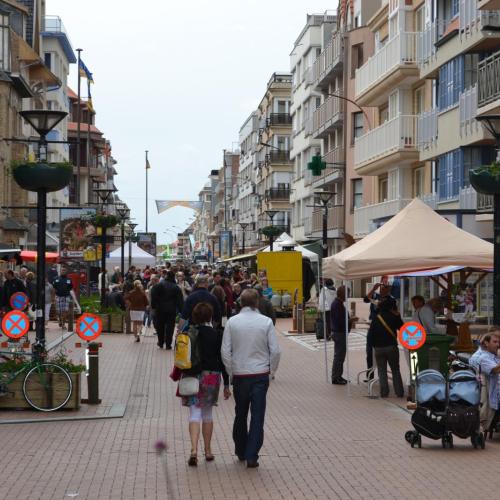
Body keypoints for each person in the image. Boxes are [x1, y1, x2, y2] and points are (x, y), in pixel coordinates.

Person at [221, 289, 281, 468]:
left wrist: (231, 371)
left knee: (240, 413)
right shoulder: (266, 322)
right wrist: (271, 371)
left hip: (240, 374)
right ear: (257, 303)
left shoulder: (232, 322)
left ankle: (240, 448)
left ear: (240, 302)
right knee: (257, 416)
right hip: (260, 373)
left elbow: (225, 351)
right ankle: (252, 454)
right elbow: (275, 351)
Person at [181, 303, 230, 466]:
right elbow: (222, 359)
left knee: (194, 413)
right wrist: (226, 383)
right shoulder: (216, 334)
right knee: (207, 414)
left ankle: (193, 450)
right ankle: (208, 450)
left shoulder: (188, 332)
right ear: (210, 316)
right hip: (211, 375)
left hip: (192, 375)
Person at [368, 297, 404, 398]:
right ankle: (399, 392)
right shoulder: (394, 316)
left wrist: (373, 346)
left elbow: (371, 334)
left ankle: (384, 392)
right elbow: (402, 328)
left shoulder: (376, 317)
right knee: (395, 369)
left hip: (378, 348)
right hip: (391, 347)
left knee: (381, 370)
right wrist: (398, 316)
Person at [363, 279, 393, 379]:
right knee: (369, 352)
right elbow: (366, 299)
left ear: (389, 289)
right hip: (372, 327)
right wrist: (373, 289)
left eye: (385, 287)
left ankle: (383, 375)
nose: (382, 289)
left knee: (382, 353)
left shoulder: (391, 300)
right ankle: (370, 375)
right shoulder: (375, 295)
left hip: (383, 329)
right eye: (381, 287)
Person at [330, 286, 356, 385]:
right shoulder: (337, 305)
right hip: (339, 333)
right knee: (339, 356)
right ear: (342, 294)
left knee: (339, 356)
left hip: (339, 332)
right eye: (347, 294)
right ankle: (336, 377)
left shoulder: (338, 303)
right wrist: (351, 320)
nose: (348, 296)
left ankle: (338, 376)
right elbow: (340, 322)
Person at [150, 271, 183, 349]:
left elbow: (154, 296)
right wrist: (181, 311)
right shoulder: (176, 287)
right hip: (171, 310)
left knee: (160, 326)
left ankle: (160, 342)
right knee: (170, 327)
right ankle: (168, 344)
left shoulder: (159, 285)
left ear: (166, 276)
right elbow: (180, 300)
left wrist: (154, 306)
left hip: (160, 309)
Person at [475, 332, 500, 432]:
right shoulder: (484, 358)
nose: (498, 344)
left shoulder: (494, 357)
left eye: (499, 342)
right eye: (495, 342)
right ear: (486, 343)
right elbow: (495, 370)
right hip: (495, 396)